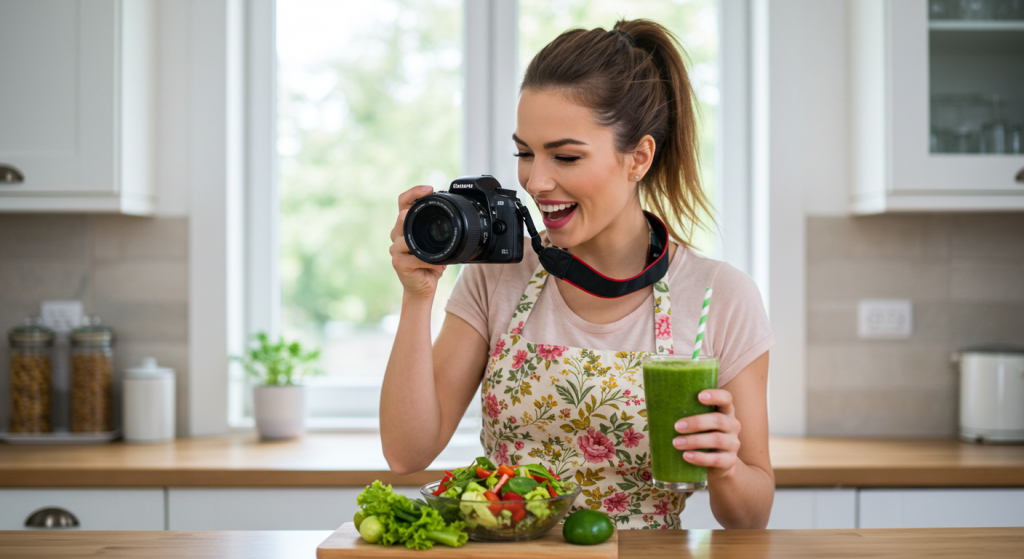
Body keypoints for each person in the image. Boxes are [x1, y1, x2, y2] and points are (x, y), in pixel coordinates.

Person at [382, 19, 775, 529]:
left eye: (565, 156)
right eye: (525, 153)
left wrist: (723, 465)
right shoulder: (497, 276)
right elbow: (407, 453)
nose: (536, 181)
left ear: (638, 158)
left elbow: (751, 516)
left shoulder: (718, 296)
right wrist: (418, 295)